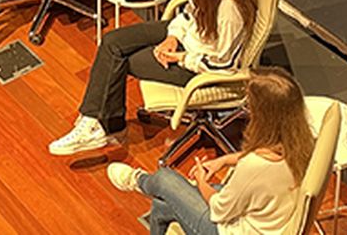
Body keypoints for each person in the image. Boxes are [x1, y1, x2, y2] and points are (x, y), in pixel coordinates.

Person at [49, 0, 257, 156]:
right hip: (186, 40)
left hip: (197, 68)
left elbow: (222, 64)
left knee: (123, 62)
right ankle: (98, 122)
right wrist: (172, 38)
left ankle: (106, 127)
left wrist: (180, 57)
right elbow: (188, 15)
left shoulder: (230, 11)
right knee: (112, 42)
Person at [105, 67, 314, 235]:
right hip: (268, 217)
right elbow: (259, 165)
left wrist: (202, 182)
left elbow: (219, 209)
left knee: (164, 179)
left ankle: (139, 181)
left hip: (225, 228)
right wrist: (223, 161)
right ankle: (151, 188)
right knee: (161, 205)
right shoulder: (300, 143)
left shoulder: (254, 166)